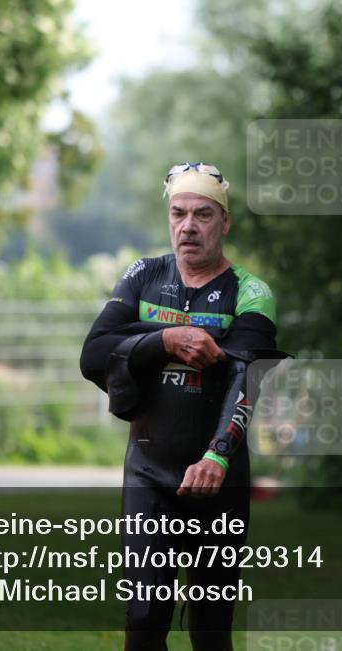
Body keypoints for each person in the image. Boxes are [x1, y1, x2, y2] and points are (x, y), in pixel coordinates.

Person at [80, 162, 280, 651]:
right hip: (149, 471)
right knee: (145, 614)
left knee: (210, 627)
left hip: (220, 476)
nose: (188, 226)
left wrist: (217, 454)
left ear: (224, 222)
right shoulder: (142, 277)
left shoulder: (251, 293)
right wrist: (166, 339)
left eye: (203, 214)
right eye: (179, 213)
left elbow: (245, 378)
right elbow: (93, 354)